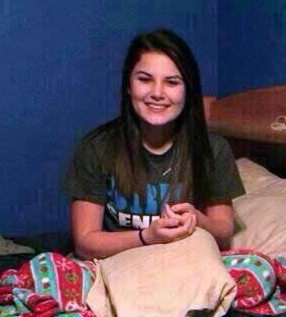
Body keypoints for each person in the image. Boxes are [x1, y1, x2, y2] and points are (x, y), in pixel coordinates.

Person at [64, 29, 245, 258]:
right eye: (145, 79)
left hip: (184, 261)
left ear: (188, 91)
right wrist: (146, 237)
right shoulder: (97, 147)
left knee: (256, 266)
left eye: (172, 82)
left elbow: (224, 233)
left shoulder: (213, 149)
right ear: (128, 85)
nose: (157, 93)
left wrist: (197, 219)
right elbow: (85, 243)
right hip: (116, 262)